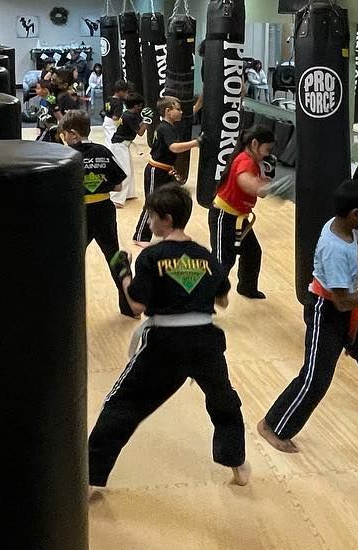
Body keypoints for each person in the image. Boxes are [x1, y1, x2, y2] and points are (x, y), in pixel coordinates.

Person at [89, 183, 248, 489]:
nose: (148, 223)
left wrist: (123, 272)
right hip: (205, 341)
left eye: (151, 217)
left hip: (165, 343)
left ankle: (90, 477)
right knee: (223, 400)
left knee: (122, 404)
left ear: (167, 219)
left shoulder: (152, 257)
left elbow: (137, 304)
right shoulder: (205, 256)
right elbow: (223, 301)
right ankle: (238, 465)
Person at [258, 180, 358, 454]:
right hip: (326, 312)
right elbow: (342, 302)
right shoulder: (334, 249)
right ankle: (273, 425)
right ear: (355, 213)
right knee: (315, 379)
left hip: (350, 308)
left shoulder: (341, 227)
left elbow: (357, 247)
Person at [57, 110, 135, 317]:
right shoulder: (102, 151)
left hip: (78, 213)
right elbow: (118, 187)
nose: (64, 140)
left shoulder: (67, 157)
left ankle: (65, 310)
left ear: (73, 134)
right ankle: (130, 307)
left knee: (68, 260)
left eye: (65, 135)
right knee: (114, 256)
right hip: (104, 210)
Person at [209, 124, 274, 300]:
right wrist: (268, 187)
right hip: (224, 215)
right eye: (267, 149)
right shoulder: (245, 160)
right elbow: (247, 184)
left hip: (238, 216)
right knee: (223, 260)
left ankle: (247, 287)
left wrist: (263, 182)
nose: (268, 153)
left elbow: (255, 185)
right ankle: (200, 298)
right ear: (254, 144)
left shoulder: (252, 161)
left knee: (252, 252)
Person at [133, 96, 199, 245]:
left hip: (166, 170)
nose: (181, 112)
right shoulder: (164, 128)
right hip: (156, 171)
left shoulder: (169, 127)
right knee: (152, 203)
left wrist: (200, 102)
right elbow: (174, 147)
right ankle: (140, 237)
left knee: (172, 201)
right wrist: (196, 143)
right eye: (178, 109)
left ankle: (171, 231)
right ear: (168, 111)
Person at [108, 92, 145, 206]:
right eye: (140, 105)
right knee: (125, 172)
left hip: (124, 145)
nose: (142, 107)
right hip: (119, 145)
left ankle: (128, 194)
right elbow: (140, 132)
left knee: (130, 170)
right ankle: (116, 199)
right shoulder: (129, 116)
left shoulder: (130, 114)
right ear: (136, 106)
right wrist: (148, 121)